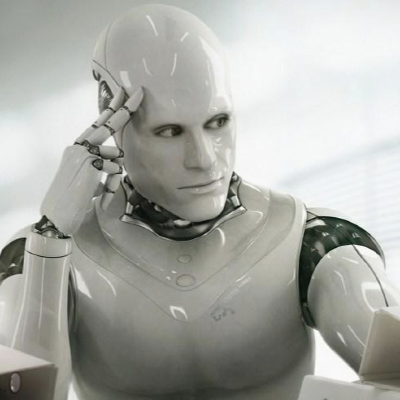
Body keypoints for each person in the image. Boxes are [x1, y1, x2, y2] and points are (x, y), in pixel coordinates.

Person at [0, 4, 399, 400]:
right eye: (169, 131)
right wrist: (50, 241)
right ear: (114, 129)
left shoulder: (315, 243)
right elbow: (25, 396)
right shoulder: (38, 257)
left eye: (218, 122)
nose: (204, 159)